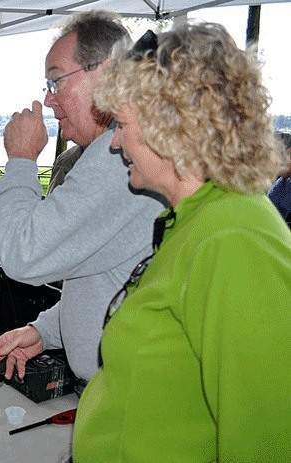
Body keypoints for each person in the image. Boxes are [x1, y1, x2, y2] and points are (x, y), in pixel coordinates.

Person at [72, 23, 291, 461]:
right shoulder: (195, 218)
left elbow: (265, 439)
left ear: (170, 125)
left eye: (122, 124)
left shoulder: (233, 238)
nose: (115, 142)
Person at [0, 11, 166, 383]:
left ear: (109, 73)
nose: (48, 100)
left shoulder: (114, 158)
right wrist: (46, 330)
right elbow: (109, 276)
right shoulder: (116, 152)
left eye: (56, 81)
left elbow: (23, 253)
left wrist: (20, 160)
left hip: (129, 394)